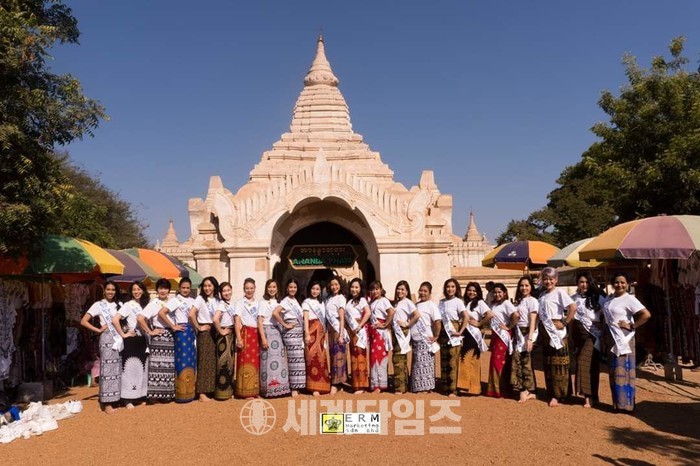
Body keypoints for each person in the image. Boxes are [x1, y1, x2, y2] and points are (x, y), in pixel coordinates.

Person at [603, 272, 651, 413]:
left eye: (623, 282)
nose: (619, 285)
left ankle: (627, 405)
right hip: (612, 338)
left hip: (624, 339)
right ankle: (618, 404)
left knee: (625, 370)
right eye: (617, 282)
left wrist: (632, 325)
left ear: (628, 284)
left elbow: (646, 314)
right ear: (612, 284)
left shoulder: (630, 299)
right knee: (614, 370)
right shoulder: (609, 299)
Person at [80, 281, 122, 413]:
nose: (110, 292)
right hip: (106, 338)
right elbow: (83, 321)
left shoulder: (119, 305)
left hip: (118, 339)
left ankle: (114, 399)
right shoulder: (98, 305)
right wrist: (97, 330)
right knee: (107, 369)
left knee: (116, 370)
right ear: (104, 291)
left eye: (113, 290)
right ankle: (106, 403)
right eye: (108, 289)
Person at [537, 267, 577, 407]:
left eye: (551, 279)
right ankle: (552, 391)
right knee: (548, 363)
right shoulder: (542, 295)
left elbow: (573, 307)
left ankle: (560, 394)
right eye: (545, 279)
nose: (548, 282)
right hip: (545, 331)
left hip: (557, 332)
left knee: (559, 364)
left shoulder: (559, 292)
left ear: (556, 280)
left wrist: (565, 322)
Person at [138, 278, 179, 403]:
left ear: (169, 290)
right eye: (161, 288)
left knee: (169, 367)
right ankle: (155, 395)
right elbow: (140, 318)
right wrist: (150, 331)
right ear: (157, 290)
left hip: (170, 336)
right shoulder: (153, 304)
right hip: (159, 336)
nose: (163, 291)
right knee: (157, 367)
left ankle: (167, 394)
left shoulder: (172, 302)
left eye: (165, 288)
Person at [112, 281, 149, 409]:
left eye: (139, 289)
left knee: (141, 368)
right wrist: (123, 334)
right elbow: (115, 319)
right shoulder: (128, 305)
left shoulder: (145, 305)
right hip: (131, 340)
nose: (137, 292)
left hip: (142, 340)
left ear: (143, 290)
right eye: (134, 290)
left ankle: (139, 396)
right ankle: (127, 399)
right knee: (129, 368)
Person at [571, 272, 604, 408]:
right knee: (591, 366)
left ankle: (588, 397)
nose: (584, 285)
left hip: (593, 336)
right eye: (581, 282)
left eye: (586, 282)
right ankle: (593, 396)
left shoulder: (598, 297)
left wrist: (602, 325)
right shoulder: (573, 298)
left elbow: (606, 314)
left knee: (583, 362)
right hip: (578, 335)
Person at [272, 278, 306, 397]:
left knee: (299, 359)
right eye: (290, 287)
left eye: (295, 287)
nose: (293, 289)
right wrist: (285, 324)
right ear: (287, 288)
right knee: (293, 359)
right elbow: (275, 313)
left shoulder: (297, 300)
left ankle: (298, 385)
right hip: (291, 333)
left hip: (298, 332)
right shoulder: (285, 301)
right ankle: (293, 388)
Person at [257, 279, 291, 398]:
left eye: (274, 287)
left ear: (277, 289)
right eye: (269, 287)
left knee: (279, 360)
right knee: (267, 361)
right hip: (267, 332)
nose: (272, 289)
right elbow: (260, 322)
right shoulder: (263, 303)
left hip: (277, 332)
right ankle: (268, 389)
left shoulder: (280, 302)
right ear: (266, 289)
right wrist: (263, 338)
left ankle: (280, 387)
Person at [189, 276, 220, 402]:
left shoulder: (217, 299)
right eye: (205, 286)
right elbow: (191, 314)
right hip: (205, 332)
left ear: (214, 286)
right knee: (204, 361)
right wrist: (198, 327)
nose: (207, 288)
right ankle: (201, 393)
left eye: (209, 285)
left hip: (215, 331)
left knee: (212, 361)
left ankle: (210, 389)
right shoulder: (200, 299)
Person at [486, 283, 518, 398]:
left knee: (500, 361)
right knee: (495, 361)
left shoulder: (506, 303)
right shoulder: (493, 304)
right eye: (495, 292)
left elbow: (516, 315)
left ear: (504, 293)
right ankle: (494, 389)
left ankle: (502, 389)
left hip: (503, 337)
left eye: (499, 292)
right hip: (496, 336)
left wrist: (509, 327)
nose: (497, 294)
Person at [459, 282, 491, 395]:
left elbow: (490, 314)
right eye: (469, 290)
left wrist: (479, 323)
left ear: (478, 292)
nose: (471, 292)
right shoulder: (465, 302)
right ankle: (470, 387)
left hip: (473, 334)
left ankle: (469, 387)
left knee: (468, 358)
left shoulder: (480, 303)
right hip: (465, 333)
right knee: (468, 359)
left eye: (474, 291)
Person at [511, 276, 539, 403]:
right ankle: (527, 388)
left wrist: (530, 339)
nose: (524, 288)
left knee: (526, 361)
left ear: (531, 287)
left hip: (528, 333)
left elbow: (533, 320)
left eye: (527, 285)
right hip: (518, 333)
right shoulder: (518, 301)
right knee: (519, 361)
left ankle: (527, 389)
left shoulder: (533, 301)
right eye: (521, 285)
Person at [410, 282, 441, 393]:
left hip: (425, 339)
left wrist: (436, 335)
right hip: (415, 339)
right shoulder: (416, 305)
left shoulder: (431, 305)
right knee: (417, 363)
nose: (422, 293)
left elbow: (437, 321)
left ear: (429, 293)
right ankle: (417, 386)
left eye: (425, 291)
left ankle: (426, 387)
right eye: (421, 290)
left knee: (425, 364)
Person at [438, 278, 466, 397]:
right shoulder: (441, 302)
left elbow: (465, 317)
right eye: (448, 287)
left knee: (453, 361)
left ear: (456, 288)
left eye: (453, 287)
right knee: (444, 360)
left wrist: (460, 331)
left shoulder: (458, 301)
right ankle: (445, 386)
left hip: (453, 331)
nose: (450, 289)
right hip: (443, 332)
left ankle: (453, 389)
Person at [170, 278, 197, 403]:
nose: (185, 290)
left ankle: (190, 392)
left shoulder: (193, 301)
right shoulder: (175, 300)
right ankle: (180, 392)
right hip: (181, 332)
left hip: (191, 332)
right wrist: (173, 326)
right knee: (181, 360)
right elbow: (162, 313)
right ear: (179, 288)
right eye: (183, 288)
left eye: (187, 288)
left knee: (191, 360)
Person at [302, 281, 331, 396]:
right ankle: (313, 387)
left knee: (322, 357)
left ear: (320, 291)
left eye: (317, 289)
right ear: (310, 289)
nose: (315, 291)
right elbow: (305, 318)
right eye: (313, 289)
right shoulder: (306, 302)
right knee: (311, 357)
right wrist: (307, 333)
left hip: (321, 333)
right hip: (311, 331)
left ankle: (323, 385)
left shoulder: (321, 303)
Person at [234, 278, 261, 398]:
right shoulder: (240, 303)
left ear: (255, 288)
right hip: (245, 334)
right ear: (243, 289)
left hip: (256, 334)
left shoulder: (258, 303)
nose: (249, 290)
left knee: (255, 362)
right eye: (247, 288)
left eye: (251, 288)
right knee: (245, 362)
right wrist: (239, 338)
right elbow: (237, 320)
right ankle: (244, 390)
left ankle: (254, 389)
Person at [392, 280, 420, 394]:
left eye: (402, 289)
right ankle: (404, 385)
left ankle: (400, 388)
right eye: (398, 289)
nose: (400, 291)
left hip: (402, 332)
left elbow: (417, 315)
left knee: (399, 358)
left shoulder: (408, 302)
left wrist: (407, 324)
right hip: (395, 332)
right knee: (399, 358)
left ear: (407, 291)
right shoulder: (397, 303)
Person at [344, 278, 371, 394]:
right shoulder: (349, 301)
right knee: (353, 357)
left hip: (358, 330)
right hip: (351, 330)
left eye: (356, 287)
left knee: (360, 356)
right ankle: (355, 384)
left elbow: (368, 313)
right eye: (352, 287)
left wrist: (360, 325)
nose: (354, 289)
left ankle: (362, 385)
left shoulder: (362, 300)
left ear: (360, 289)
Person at [368, 281, 394, 393]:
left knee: (380, 357)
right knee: (373, 357)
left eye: (377, 289)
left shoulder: (384, 301)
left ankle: (380, 385)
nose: (375, 291)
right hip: (373, 333)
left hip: (381, 334)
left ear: (381, 289)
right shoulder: (372, 302)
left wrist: (385, 324)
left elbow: (391, 312)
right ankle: (375, 384)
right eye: (373, 289)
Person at [325, 277, 349, 394]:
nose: (334, 287)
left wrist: (341, 334)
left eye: (336, 284)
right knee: (332, 355)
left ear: (340, 285)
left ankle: (336, 383)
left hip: (337, 329)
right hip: (330, 330)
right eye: (332, 285)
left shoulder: (341, 298)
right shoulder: (328, 298)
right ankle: (340, 380)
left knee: (338, 356)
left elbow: (342, 317)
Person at [213, 282, 236, 400]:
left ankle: (228, 390)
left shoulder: (230, 303)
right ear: (221, 293)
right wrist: (221, 331)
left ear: (231, 290)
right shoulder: (222, 304)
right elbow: (215, 319)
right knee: (223, 363)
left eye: (228, 290)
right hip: (224, 336)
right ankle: (222, 391)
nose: (226, 293)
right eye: (224, 291)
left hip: (231, 334)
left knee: (230, 363)